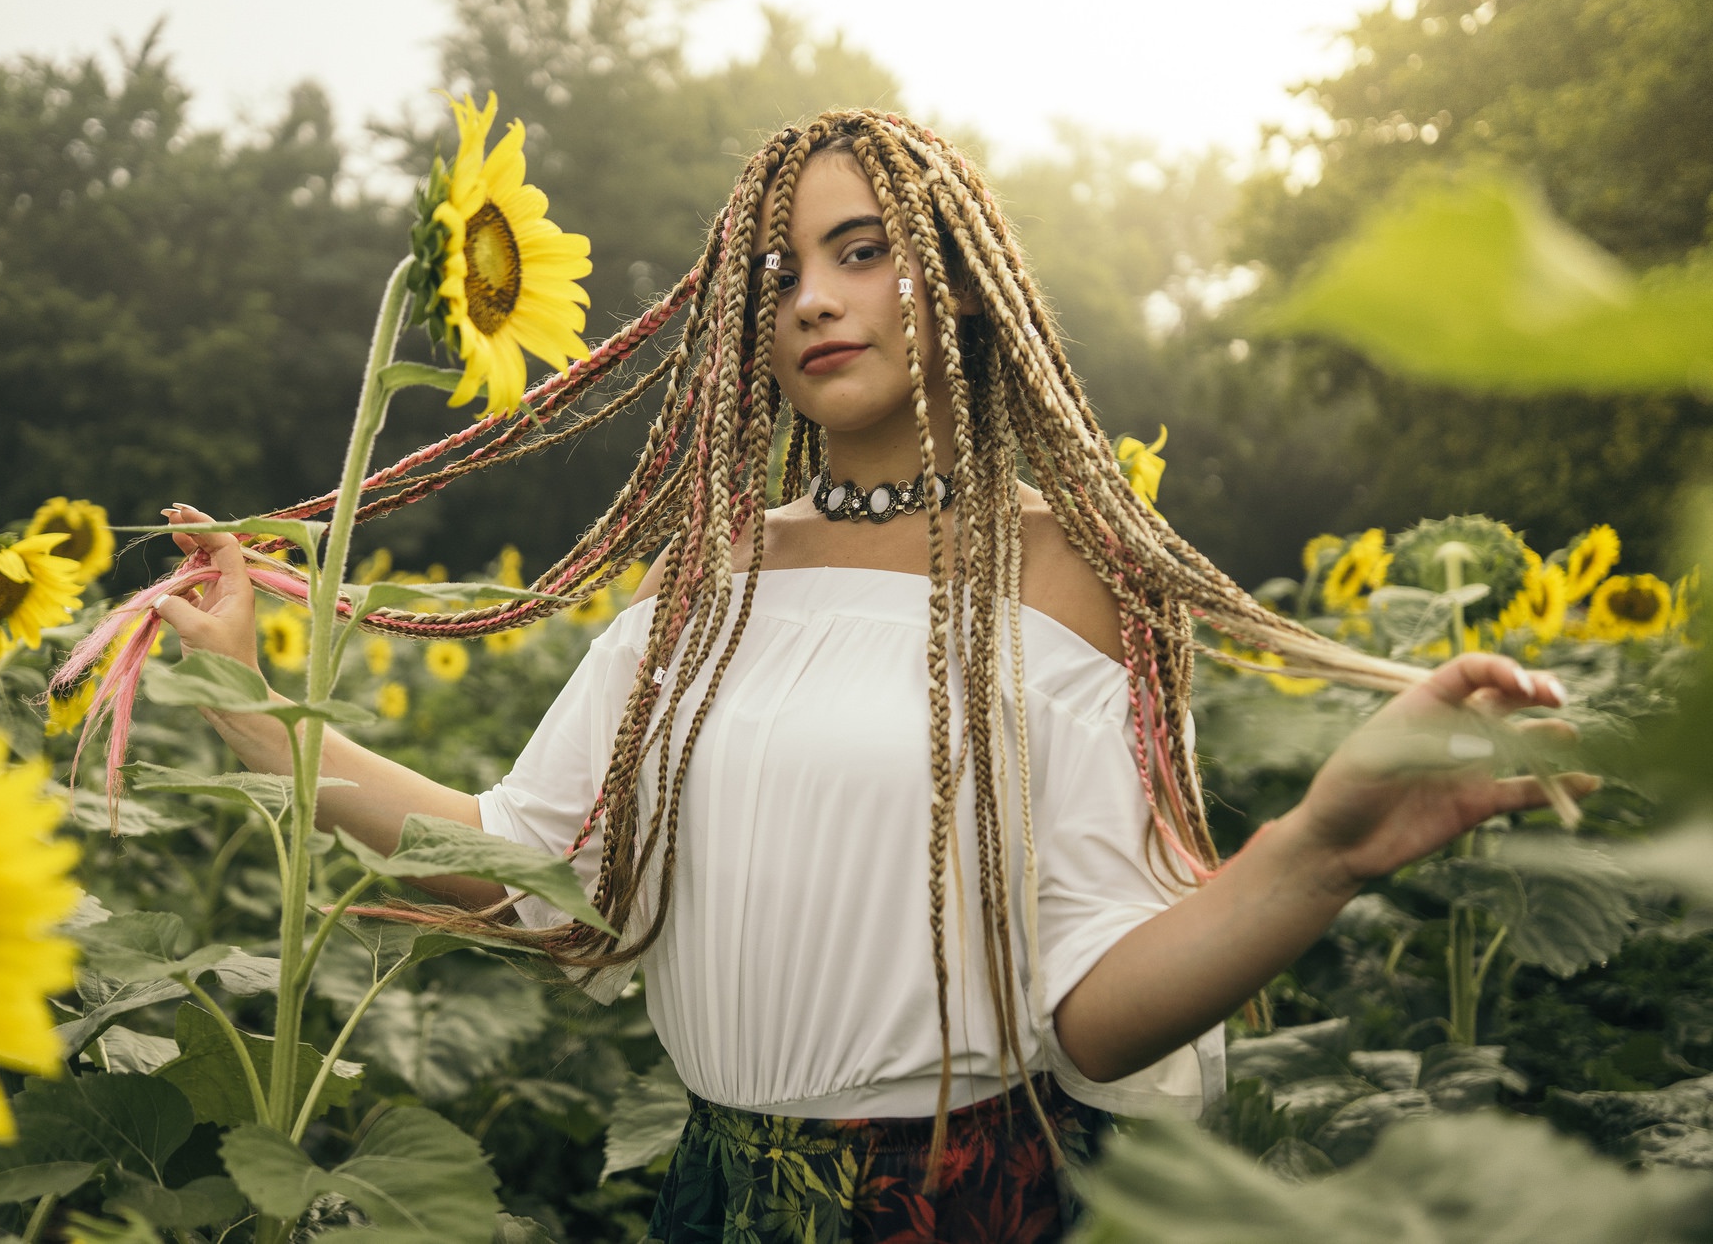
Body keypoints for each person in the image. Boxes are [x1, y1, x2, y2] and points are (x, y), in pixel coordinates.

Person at [146, 110, 1591, 1242]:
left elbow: (1089, 1007)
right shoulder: (707, 577)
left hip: (964, 1204)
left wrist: (1318, 855)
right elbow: (533, 866)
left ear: (957, 283)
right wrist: (255, 715)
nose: (811, 303)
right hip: (716, 1199)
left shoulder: (1069, 570)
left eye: (859, 250)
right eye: (774, 276)